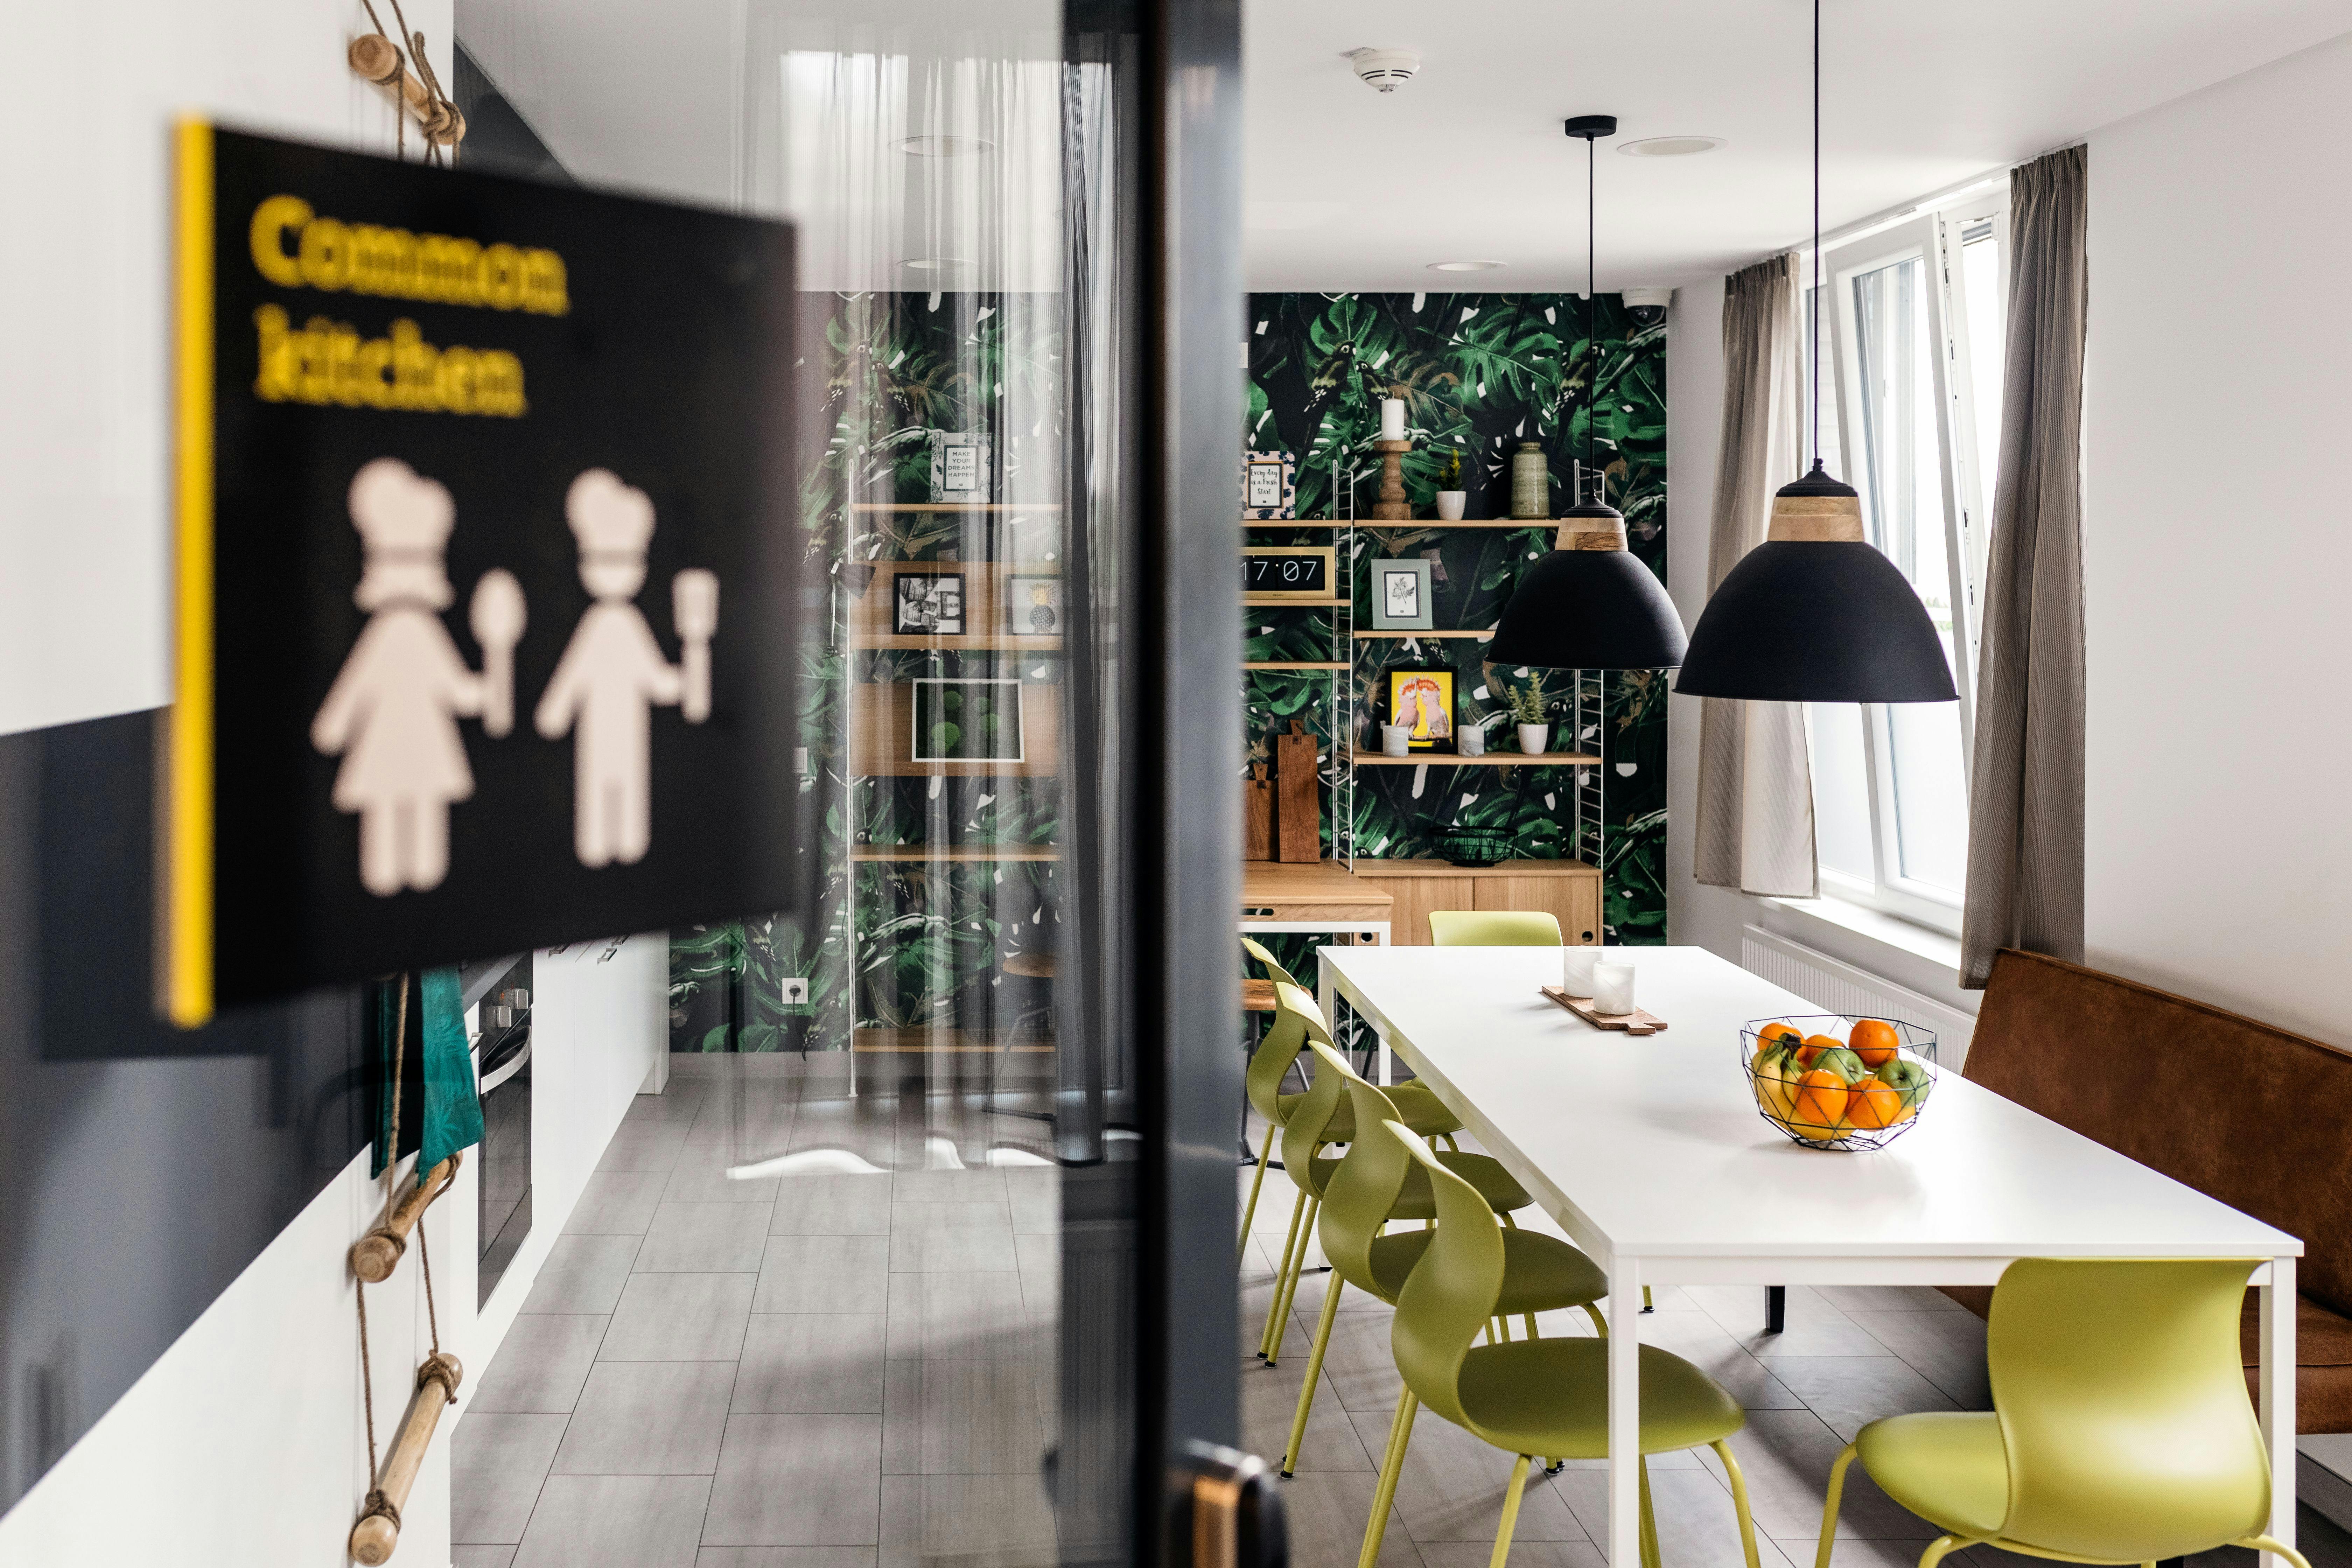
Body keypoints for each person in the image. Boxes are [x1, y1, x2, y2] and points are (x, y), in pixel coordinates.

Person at [311, 458, 525, 896]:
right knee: (385, 838)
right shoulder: (393, 635)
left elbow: (463, 695)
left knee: (426, 837)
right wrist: (335, 724)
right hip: (393, 749)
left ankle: (417, 881)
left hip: (422, 747)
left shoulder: (421, 635)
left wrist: (499, 657)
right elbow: (358, 687)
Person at [535, 468, 718, 868]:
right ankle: (599, 845)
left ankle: (626, 844)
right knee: (596, 791)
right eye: (603, 559)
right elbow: (571, 680)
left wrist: (696, 644)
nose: (615, 571)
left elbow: (668, 689)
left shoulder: (629, 626)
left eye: (627, 560)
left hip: (631, 739)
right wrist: (556, 709)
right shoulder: (599, 625)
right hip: (597, 740)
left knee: (630, 795)